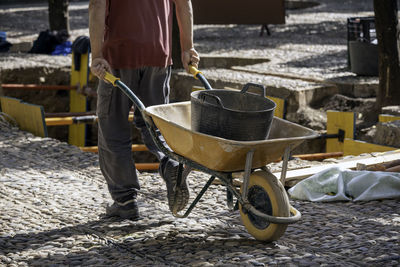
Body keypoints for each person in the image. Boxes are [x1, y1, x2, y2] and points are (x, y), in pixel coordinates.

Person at [89, 0, 200, 220]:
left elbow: (97, 5)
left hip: (118, 55)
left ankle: (125, 200)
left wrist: (96, 54)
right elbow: (183, 4)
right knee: (156, 124)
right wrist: (187, 47)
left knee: (113, 127)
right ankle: (171, 164)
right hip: (158, 53)